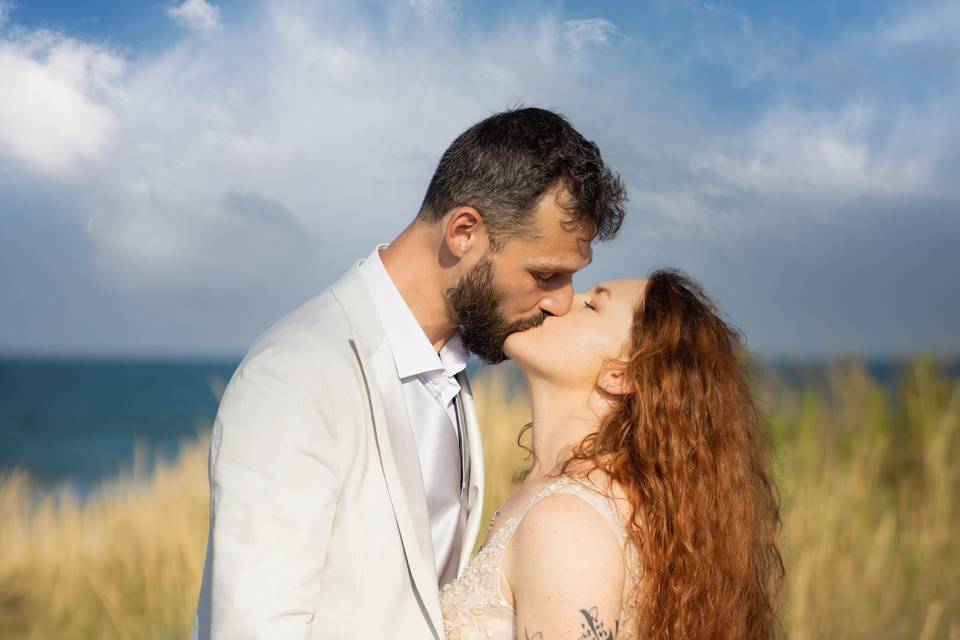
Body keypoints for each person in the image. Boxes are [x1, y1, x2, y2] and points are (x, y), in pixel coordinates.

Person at [190, 107, 627, 639]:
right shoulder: (296, 376)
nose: (561, 301)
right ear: (464, 231)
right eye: (544, 274)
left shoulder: (452, 374)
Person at [440, 270, 784, 639]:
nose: (559, 301)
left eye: (591, 305)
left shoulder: (567, 524)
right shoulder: (568, 495)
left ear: (621, 375)